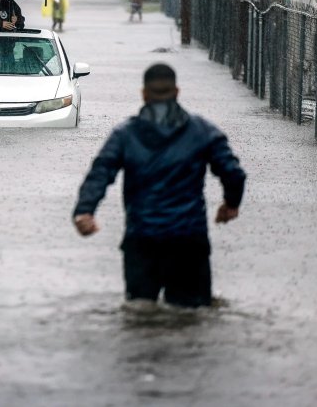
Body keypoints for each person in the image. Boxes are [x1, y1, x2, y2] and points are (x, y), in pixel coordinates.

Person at [72, 63, 246, 308]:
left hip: (142, 239)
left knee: (140, 315)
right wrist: (230, 204)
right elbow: (233, 173)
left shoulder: (125, 134)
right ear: (177, 92)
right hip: (189, 240)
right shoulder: (202, 131)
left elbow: (101, 172)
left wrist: (85, 211)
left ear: (143, 94)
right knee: (192, 317)